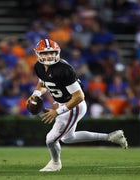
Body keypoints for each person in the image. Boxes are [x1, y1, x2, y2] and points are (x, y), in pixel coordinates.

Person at [27, 39, 128, 172]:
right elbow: (43, 84)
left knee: (50, 139)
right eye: (45, 53)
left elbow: (79, 96)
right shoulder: (39, 66)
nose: (49, 56)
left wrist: (58, 111)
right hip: (63, 103)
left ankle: (55, 163)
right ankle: (110, 137)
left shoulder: (64, 69)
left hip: (74, 105)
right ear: (38, 54)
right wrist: (36, 94)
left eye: (51, 52)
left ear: (57, 52)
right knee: (68, 138)